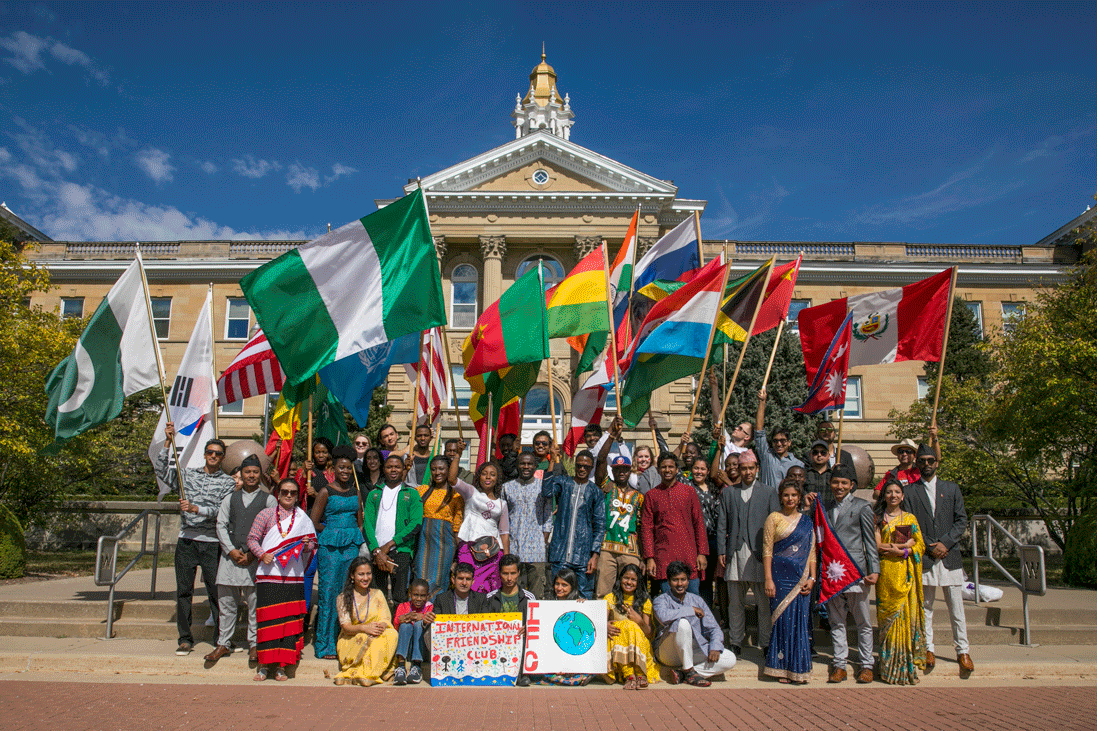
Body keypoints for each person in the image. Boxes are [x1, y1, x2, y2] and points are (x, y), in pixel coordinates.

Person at [154, 422, 236, 656]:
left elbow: (221, 511)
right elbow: (162, 471)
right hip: (186, 541)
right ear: (204, 454)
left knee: (215, 591)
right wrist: (168, 441)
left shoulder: (228, 483)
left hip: (211, 543)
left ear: (223, 457)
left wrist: (196, 508)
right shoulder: (187, 474)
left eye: (217, 454)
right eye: (209, 452)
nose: (213, 456)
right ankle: (185, 638)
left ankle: (220, 639)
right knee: (183, 591)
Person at [904, 443, 973, 677]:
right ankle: (928, 649)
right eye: (921, 461)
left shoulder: (951, 489)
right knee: (926, 608)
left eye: (930, 461)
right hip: (925, 557)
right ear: (917, 464)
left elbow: (961, 520)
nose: (926, 465)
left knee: (956, 607)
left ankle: (963, 651)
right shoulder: (911, 492)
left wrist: (945, 543)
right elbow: (909, 523)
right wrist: (928, 546)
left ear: (937, 463)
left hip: (949, 556)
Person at [205, 454, 276, 664]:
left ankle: (254, 644)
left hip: (255, 559)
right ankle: (223, 643)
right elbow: (220, 525)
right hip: (231, 558)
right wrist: (231, 551)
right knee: (226, 604)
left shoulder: (269, 499)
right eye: (247, 472)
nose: (251, 476)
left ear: (260, 474)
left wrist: (254, 552)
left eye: (255, 472)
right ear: (241, 475)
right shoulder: (230, 498)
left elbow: (271, 530)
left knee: (255, 604)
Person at [247, 478, 317, 682]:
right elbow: (252, 538)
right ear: (278, 493)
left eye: (293, 492)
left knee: (288, 623)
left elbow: (312, 545)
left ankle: (281, 666)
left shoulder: (303, 518)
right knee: (268, 621)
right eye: (285, 491)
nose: (288, 495)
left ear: (297, 495)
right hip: (269, 576)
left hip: (293, 577)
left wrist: (306, 546)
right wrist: (261, 554)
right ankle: (263, 665)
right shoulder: (266, 514)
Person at [717, 449, 779, 656]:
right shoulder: (728, 492)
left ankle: (766, 641)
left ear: (757, 469)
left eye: (751, 468)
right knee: (735, 602)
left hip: (760, 555)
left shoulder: (769, 492)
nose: (747, 472)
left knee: (763, 603)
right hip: (735, 552)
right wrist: (721, 550)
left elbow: (774, 525)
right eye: (743, 468)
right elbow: (722, 524)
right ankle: (735, 641)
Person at [823, 464, 879, 684]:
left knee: (863, 621)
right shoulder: (825, 507)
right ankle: (839, 664)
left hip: (856, 572)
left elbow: (870, 541)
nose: (839, 486)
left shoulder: (863, 506)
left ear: (851, 485)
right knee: (836, 620)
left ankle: (866, 665)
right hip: (833, 573)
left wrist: (874, 569)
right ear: (831, 484)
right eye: (836, 482)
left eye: (844, 483)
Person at [309, 446, 366, 660]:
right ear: (334, 468)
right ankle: (323, 644)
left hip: (350, 547)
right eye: (341, 467)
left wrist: (351, 533)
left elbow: (360, 522)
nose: (345, 471)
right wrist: (334, 531)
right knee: (328, 593)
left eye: (348, 468)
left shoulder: (356, 492)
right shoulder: (326, 491)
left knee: (346, 594)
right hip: (330, 548)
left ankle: (341, 641)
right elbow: (314, 521)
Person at [762, 479, 815, 684]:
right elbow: (767, 550)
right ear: (780, 497)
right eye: (786, 495)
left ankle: (798, 668)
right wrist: (768, 579)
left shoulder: (806, 521)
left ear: (799, 497)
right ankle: (780, 668)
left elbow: (812, 552)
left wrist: (812, 578)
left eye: (794, 495)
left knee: (799, 623)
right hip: (779, 578)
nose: (790, 499)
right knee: (782, 622)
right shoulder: (773, 518)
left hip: (801, 578)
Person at [875, 477, 926, 685]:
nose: (893, 495)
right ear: (884, 496)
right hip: (886, 573)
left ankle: (904, 667)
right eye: (889, 492)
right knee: (888, 619)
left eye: (897, 492)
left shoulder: (910, 519)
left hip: (905, 573)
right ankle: (888, 669)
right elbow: (877, 546)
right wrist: (899, 548)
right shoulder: (878, 518)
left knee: (905, 617)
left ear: (902, 496)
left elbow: (920, 545)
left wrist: (904, 550)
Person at [652, 561, 737, 687]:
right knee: (683, 623)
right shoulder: (661, 600)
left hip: (692, 649)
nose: (680, 584)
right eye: (675, 580)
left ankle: (684, 673)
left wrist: (715, 646)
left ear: (688, 581)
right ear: (669, 582)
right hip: (668, 652)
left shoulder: (697, 600)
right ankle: (689, 671)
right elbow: (664, 617)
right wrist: (690, 610)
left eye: (683, 579)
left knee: (729, 658)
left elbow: (713, 628)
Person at [542, 449, 607, 598]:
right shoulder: (564, 483)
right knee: (556, 594)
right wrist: (552, 461)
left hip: (583, 556)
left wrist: (595, 555)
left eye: (586, 466)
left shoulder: (595, 492)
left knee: (584, 596)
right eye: (579, 465)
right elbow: (546, 492)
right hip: (560, 552)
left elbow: (600, 524)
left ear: (591, 468)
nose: (582, 469)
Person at [640, 453, 707, 595]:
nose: (667, 470)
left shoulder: (688, 492)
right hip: (664, 557)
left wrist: (702, 553)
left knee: (692, 602)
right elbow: (647, 529)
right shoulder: (652, 495)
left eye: (671, 466)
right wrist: (650, 558)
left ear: (677, 470)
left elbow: (699, 524)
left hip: (688, 555)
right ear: (658, 470)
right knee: (668, 604)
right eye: (663, 467)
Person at [362, 453, 424, 608]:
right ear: (384, 469)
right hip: (377, 553)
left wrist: (390, 544)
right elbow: (367, 524)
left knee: (399, 596)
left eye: (397, 466)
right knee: (377, 594)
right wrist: (377, 550)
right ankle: (380, 629)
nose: (393, 470)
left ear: (404, 469)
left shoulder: (412, 493)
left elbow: (416, 524)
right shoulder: (373, 494)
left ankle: (397, 629)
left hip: (400, 551)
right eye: (389, 467)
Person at [451, 449, 511, 593]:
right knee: (467, 585)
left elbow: (504, 532)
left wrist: (507, 559)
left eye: (492, 474)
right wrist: (458, 455)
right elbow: (452, 479)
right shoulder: (471, 493)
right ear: (478, 477)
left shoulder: (502, 504)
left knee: (492, 587)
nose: (488, 477)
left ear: (497, 479)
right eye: (484, 474)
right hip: (469, 547)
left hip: (493, 551)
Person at [594, 429, 644, 599]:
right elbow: (600, 460)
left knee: (631, 592)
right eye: (618, 469)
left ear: (630, 471)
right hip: (607, 547)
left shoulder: (639, 496)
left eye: (625, 469)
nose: (621, 472)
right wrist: (611, 437)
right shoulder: (608, 487)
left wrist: (643, 557)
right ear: (613, 471)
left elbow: (642, 527)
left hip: (630, 550)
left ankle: (630, 624)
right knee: (603, 592)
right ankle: (604, 624)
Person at [332, 558, 398, 687]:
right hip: (352, 638)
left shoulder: (377, 594)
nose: (366, 578)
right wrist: (365, 628)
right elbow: (346, 627)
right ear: (352, 575)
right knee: (364, 637)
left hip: (376, 633)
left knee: (391, 634)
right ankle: (369, 673)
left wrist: (379, 627)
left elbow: (385, 618)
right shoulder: (342, 598)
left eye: (368, 574)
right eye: (361, 574)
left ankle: (369, 674)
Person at [502, 451, 553, 600]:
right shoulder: (507, 487)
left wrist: (543, 539)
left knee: (536, 595)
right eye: (522, 463)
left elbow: (548, 515)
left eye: (529, 464)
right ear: (517, 466)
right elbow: (503, 519)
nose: (526, 466)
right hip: (514, 548)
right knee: (515, 593)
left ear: (535, 466)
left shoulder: (543, 487)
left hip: (536, 550)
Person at [415, 454, 465, 598]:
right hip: (423, 542)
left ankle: (436, 614)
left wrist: (458, 555)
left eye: (442, 469)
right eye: (434, 469)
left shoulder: (456, 495)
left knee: (439, 579)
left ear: (448, 470)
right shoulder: (421, 491)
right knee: (420, 576)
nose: (438, 473)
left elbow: (457, 526)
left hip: (445, 543)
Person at [603, 563, 659, 689]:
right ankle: (629, 675)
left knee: (630, 626)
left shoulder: (644, 600)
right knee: (622, 626)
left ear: (638, 582)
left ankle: (640, 673)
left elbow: (649, 633)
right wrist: (605, 626)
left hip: (639, 641)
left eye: (633, 580)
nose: (629, 582)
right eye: (626, 578)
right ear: (620, 579)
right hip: (616, 640)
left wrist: (639, 621)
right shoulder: (610, 598)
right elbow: (600, 623)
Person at [486, 554, 537, 687]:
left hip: (521, 642)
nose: (509, 578)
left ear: (519, 573)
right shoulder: (490, 598)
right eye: (505, 573)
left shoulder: (529, 597)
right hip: (497, 642)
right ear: (499, 573)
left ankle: (522, 674)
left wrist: (529, 627)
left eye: (513, 573)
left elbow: (536, 622)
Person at [539, 568, 596, 686]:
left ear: (572, 587)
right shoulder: (546, 602)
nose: (559, 588)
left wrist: (583, 607)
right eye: (557, 584)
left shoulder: (579, 604)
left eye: (564, 585)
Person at [754, 388, 805, 489]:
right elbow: (759, 431)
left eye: (783, 441)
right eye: (775, 441)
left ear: (789, 442)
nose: (779, 444)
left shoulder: (798, 464)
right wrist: (762, 402)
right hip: (768, 503)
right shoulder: (767, 456)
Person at [689, 457, 720, 609]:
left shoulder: (713, 488)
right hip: (693, 539)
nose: (699, 472)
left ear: (707, 472)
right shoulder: (687, 486)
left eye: (702, 469)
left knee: (707, 580)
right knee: (695, 577)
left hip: (711, 539)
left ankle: (706, 611)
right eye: (696, 468)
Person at [392, 578, 434, 685]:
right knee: (405, 625)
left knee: (419, 624)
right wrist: (404, 618)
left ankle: (416, 666)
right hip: (406, 647)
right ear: (410, 594)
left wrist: (423, 618)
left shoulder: (430, 608)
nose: (418, 599)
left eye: (422, 596)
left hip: (422, 648)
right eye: (415, 595)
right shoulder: (403, 606)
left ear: (428, 596)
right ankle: (401, 667)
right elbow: (395, 624)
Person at [294, 437, 334, 511]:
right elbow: (296, 496)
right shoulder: (305, 471)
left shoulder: (333, 473)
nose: (321, 456)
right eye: (317, 452)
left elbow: (335, 500)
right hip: (308, 514)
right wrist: (305, 474)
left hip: (327, 516)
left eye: (324, 452)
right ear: (312, 454)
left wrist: (316, 495)